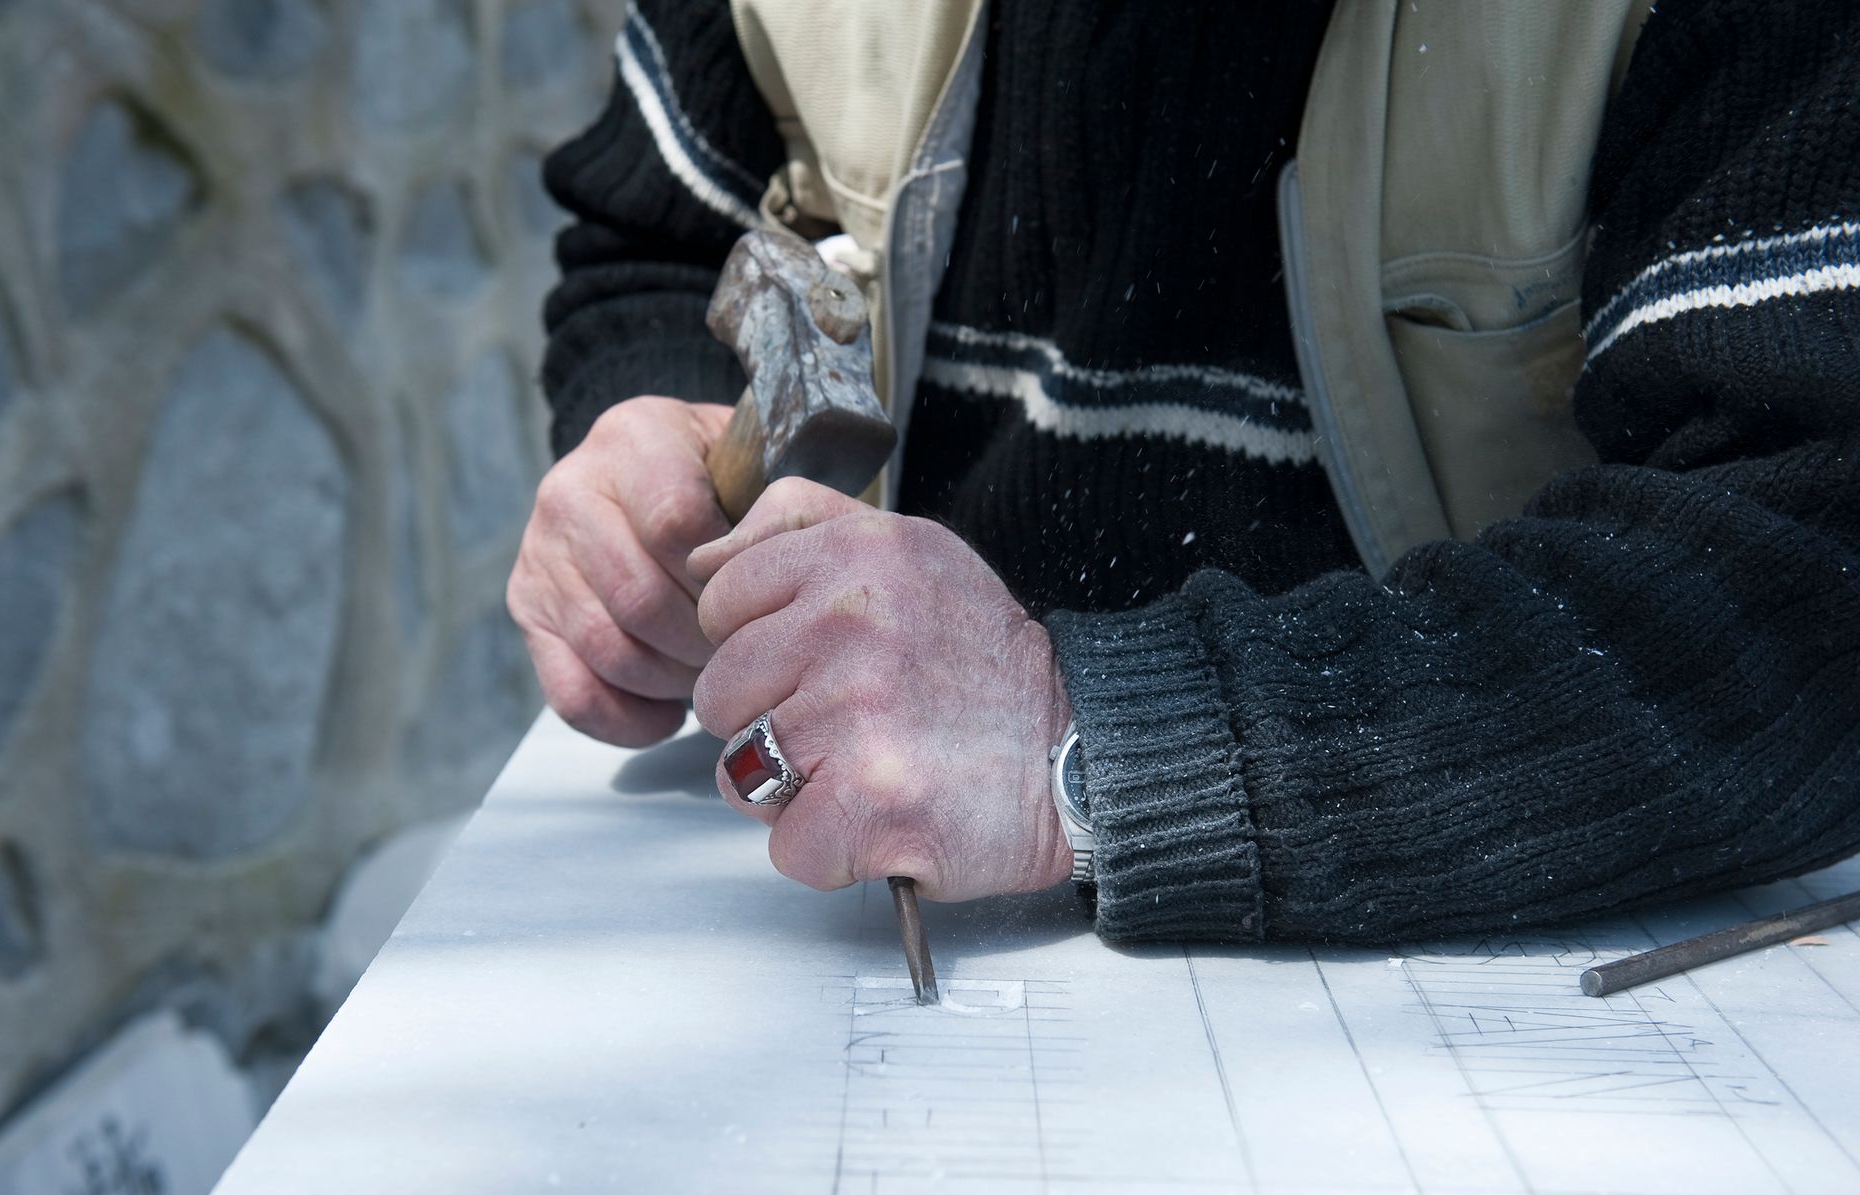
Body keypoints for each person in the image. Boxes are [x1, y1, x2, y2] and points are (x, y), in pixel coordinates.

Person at [507, 0, 1860, 943]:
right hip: (895, 935)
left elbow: (1803, 592)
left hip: (1474, 1009)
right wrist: (650, 448)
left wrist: (1088, 740)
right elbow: (657, 242)